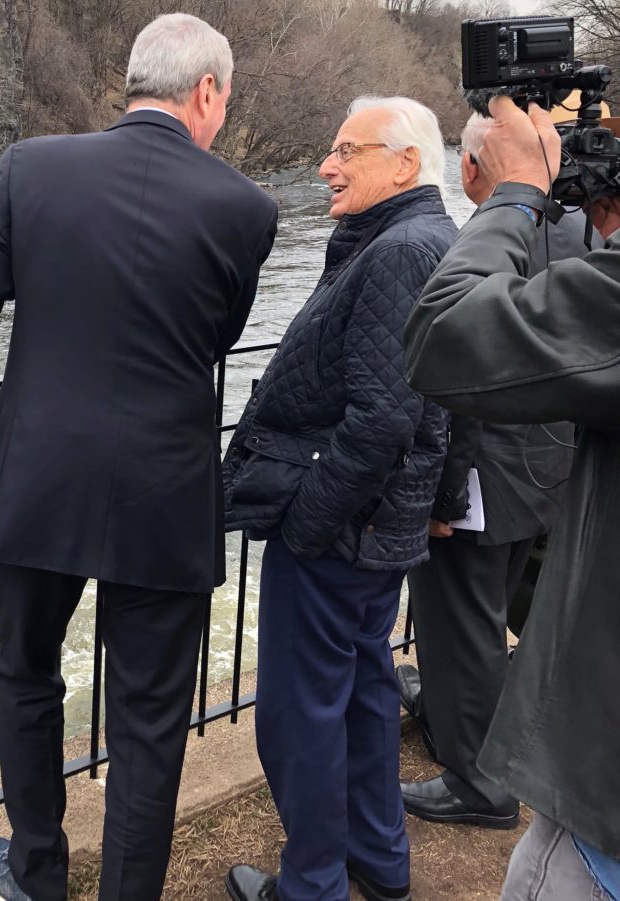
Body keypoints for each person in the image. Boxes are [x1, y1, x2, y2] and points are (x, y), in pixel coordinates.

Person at [0, 13, 278, 901]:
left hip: (42, 480)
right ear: (205, 93)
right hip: (165, 489)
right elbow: (214, 339)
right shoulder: (247, 209)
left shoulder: (31, 167)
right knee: (150, 720)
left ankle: (37, 871)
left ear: (134, 80)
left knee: (25, 670)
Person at [221, 96, 456, 901]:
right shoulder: (420, 238)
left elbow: (385, 416)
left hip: (342, 531)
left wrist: (310, 520)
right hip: (376, 529)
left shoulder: (397, 251)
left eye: (346, 151)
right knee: (360, 690)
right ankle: (380, 861)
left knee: (300, 715)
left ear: (404, 164)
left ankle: (313, 884)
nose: (327, 165)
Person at [403, 94, 620, 901]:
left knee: (464, 630)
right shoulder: (581, 238)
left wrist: (517, 194)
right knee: (484, 624)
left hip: (493, 475)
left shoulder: (512, 228)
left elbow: (452, 346)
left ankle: (479, 782)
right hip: (544, 475)